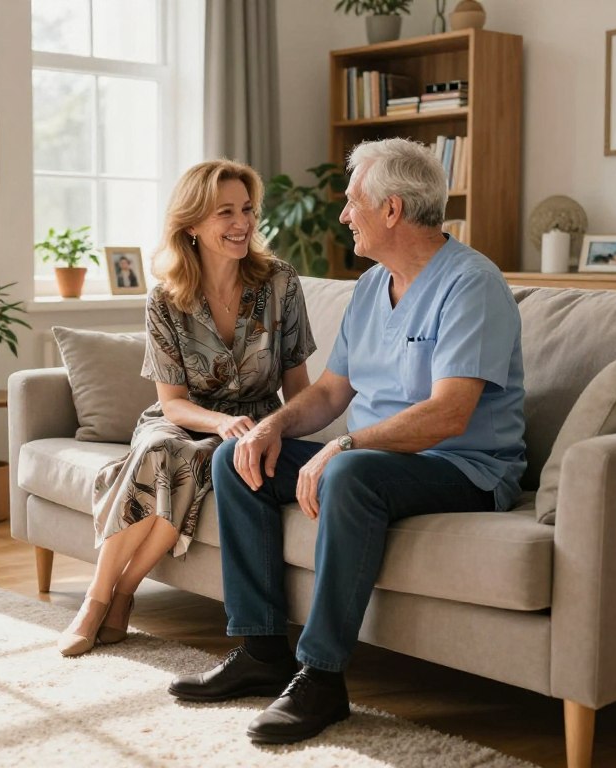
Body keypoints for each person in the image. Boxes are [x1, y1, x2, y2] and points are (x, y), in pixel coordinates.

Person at [169, 138, 526, 745]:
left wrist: (348, 446)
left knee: (350, 473)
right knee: (237, 457)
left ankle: (323, 676)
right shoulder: (371, 286)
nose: (342, 214)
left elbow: (449, 414)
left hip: (466, 467)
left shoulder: (471, 285)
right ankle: (261, 650)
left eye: (352, 200)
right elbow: (332, 392)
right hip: (382, 458)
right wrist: (274, 425)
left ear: (391, 210)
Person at [57, 159, 316, 657]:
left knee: (201, 460)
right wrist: (221, 421)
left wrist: (275, 429)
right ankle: (97, 598)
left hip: (253, 426)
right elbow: (172, 405)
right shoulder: (165, 299)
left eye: (247, 209)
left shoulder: (280, 283)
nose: (242, 223)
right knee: (163, 451)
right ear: (192, 224)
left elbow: (299, 386)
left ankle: (121, 594)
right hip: (185, 420)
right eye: (225, 212)